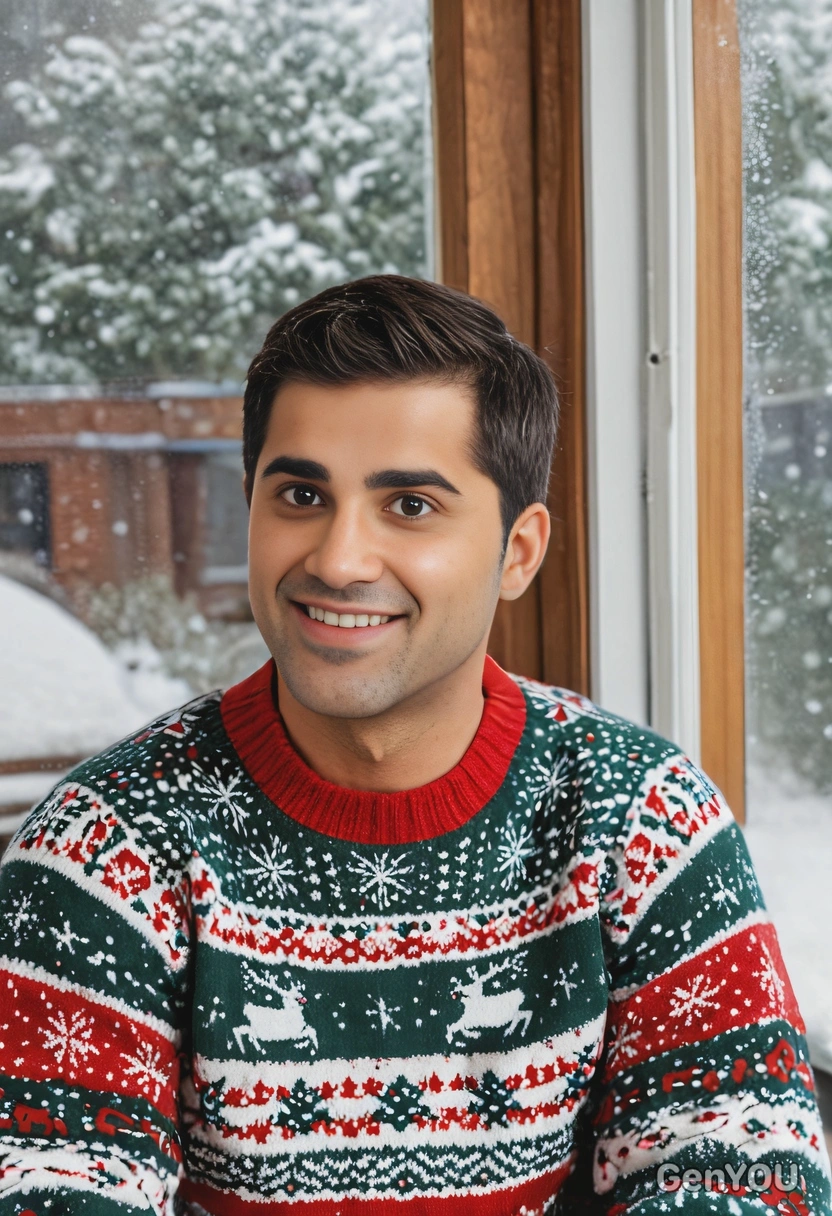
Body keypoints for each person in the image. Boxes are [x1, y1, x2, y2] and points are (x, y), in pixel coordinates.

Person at [0, 276, 829, 1216]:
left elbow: (743, 1167)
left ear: (518, 552)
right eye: (302, 493)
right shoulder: (100, 849)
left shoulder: (645, 817)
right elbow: (45, 1183)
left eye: (410, 506)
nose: (338, 557)